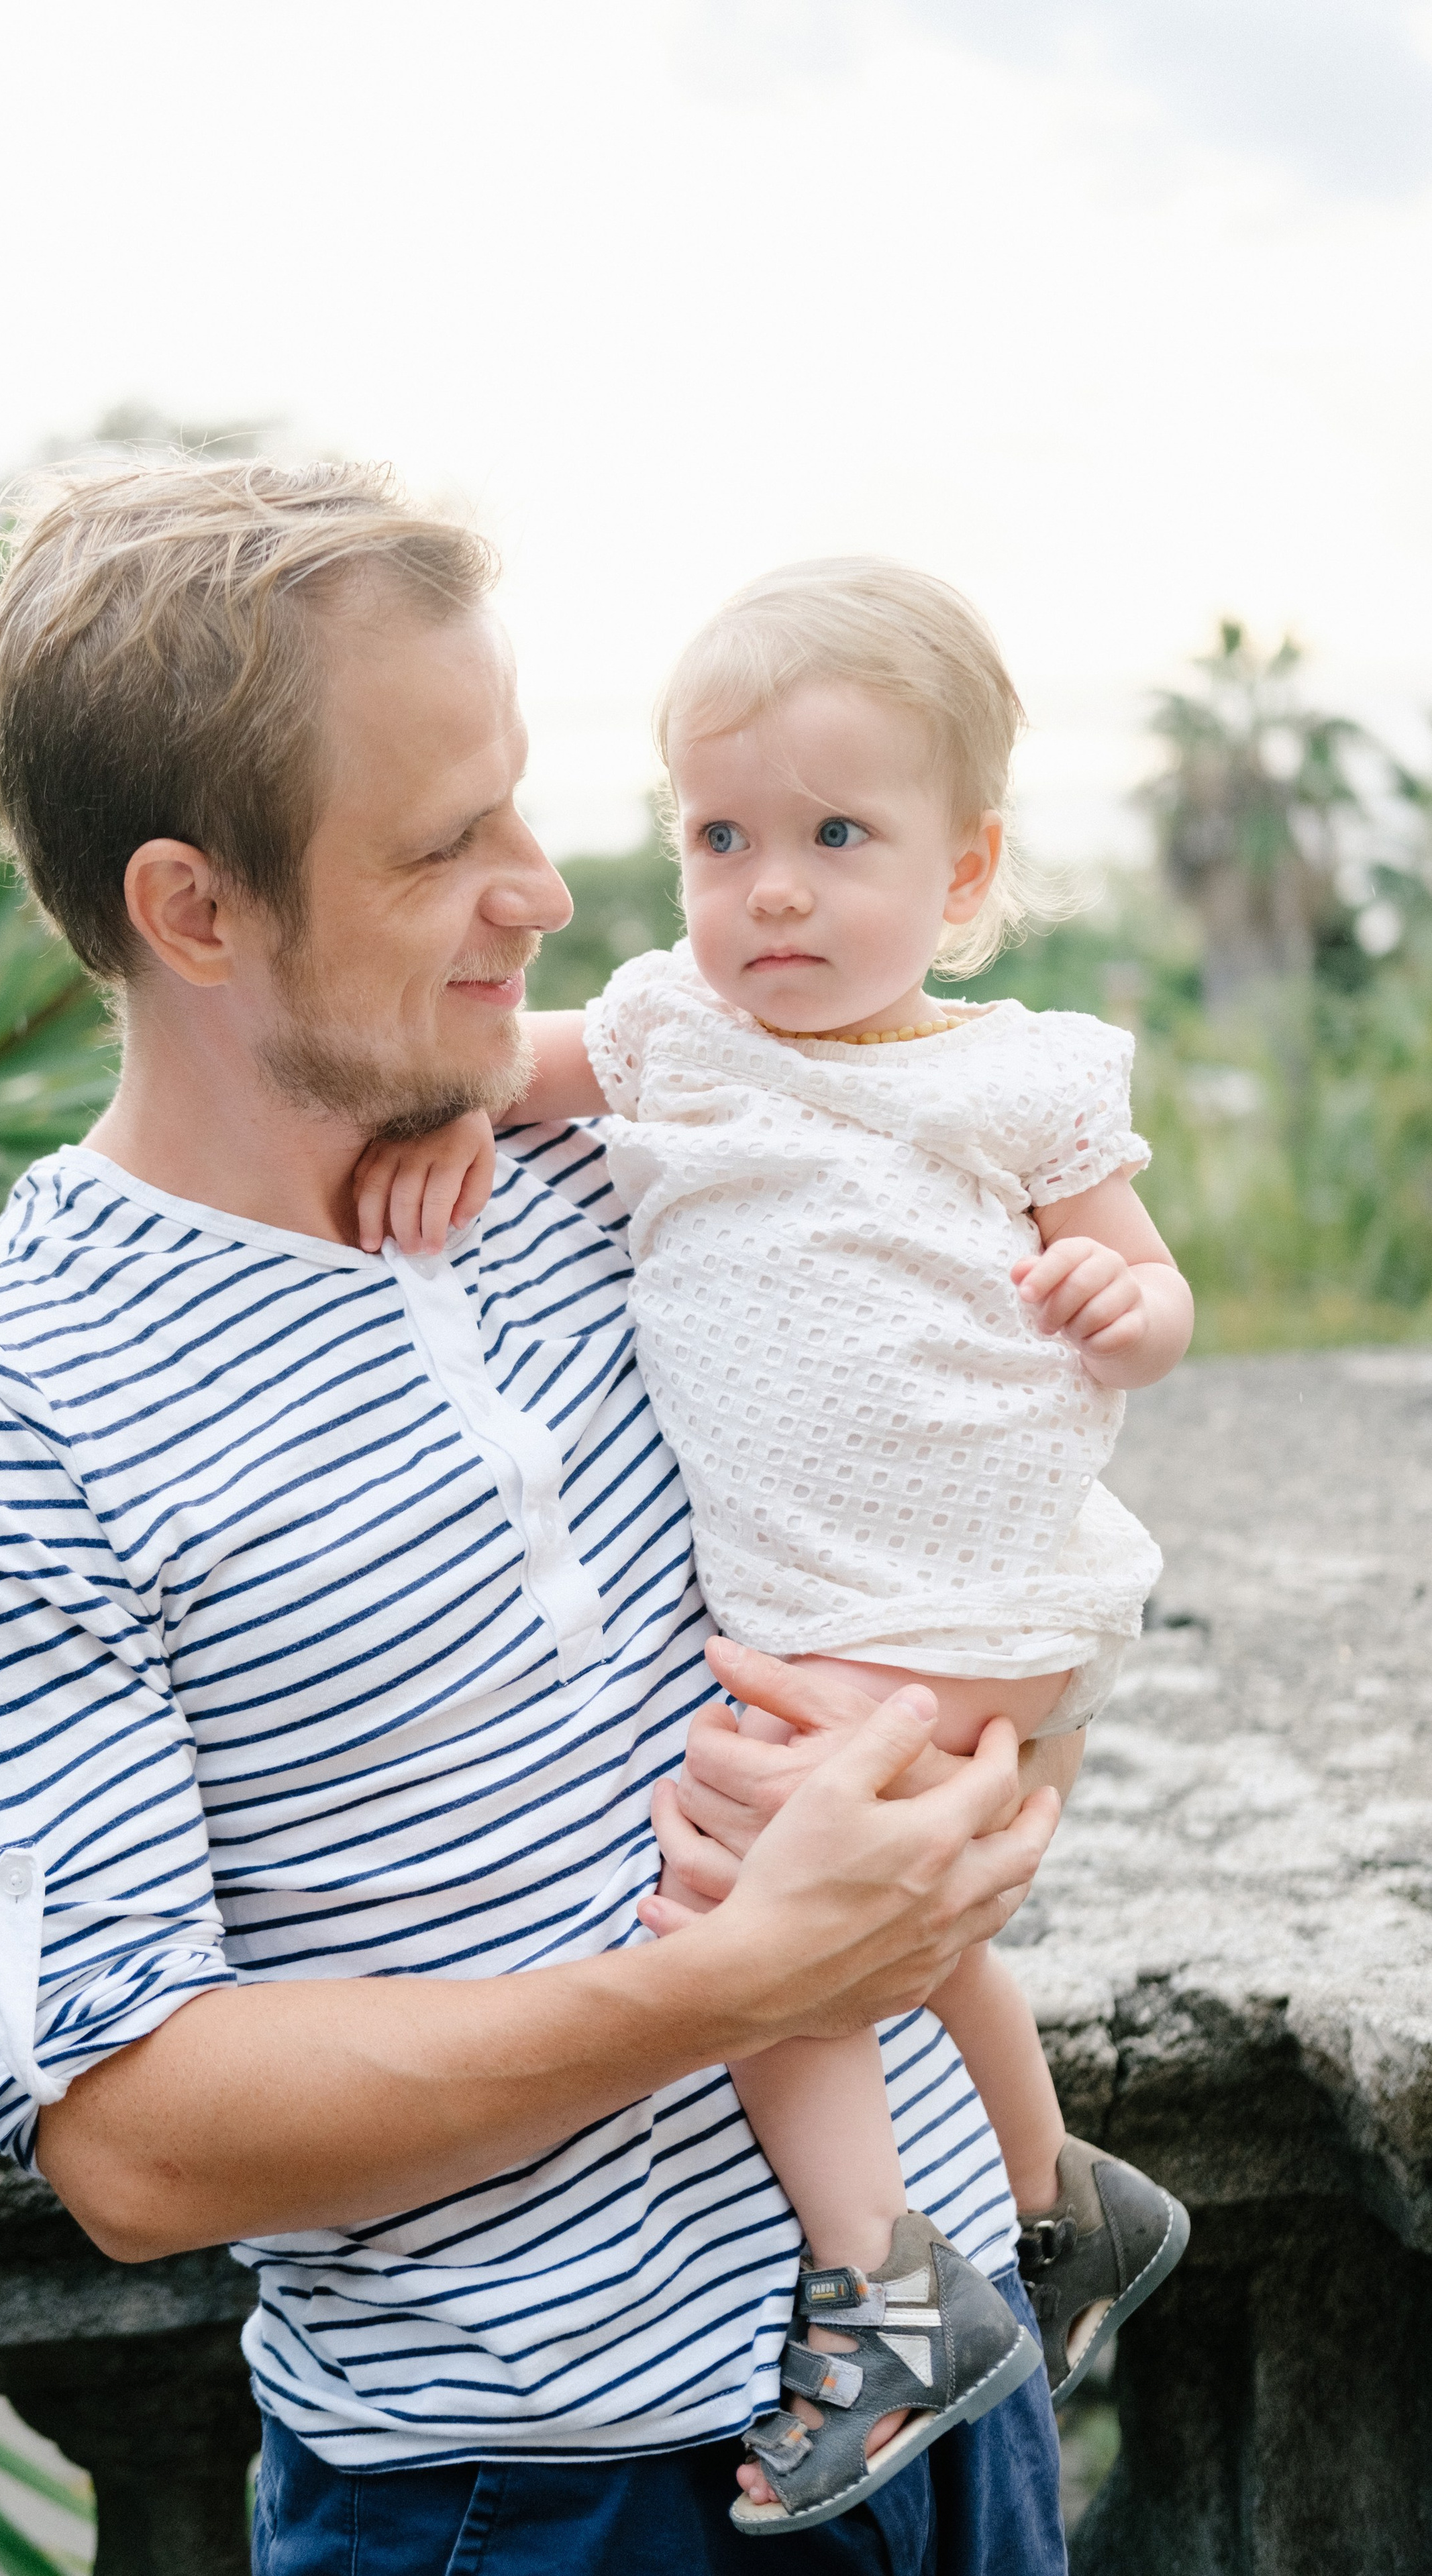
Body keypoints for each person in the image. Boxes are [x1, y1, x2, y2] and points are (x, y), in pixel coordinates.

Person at [0, 463, 1072, 2576]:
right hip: (533, 2504)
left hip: (960, 2394)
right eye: (442, 846)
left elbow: (993, 1529)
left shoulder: (631, 1166)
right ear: (194, 913)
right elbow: (132, 2140)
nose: (546, 894)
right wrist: (735, 1981)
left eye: (522, 806)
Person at [354, 559, 1194, 2533]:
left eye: (837, 838)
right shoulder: (671, 1027)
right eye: (722, 840)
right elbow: (494, 1065)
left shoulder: (1019, 1074)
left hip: (969, 1580)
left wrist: (1121, 1308)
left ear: (965, 869)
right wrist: (450, 1120)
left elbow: (1155, 1291)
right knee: (911, 1921)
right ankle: (1059, 2202)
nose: (774, 894)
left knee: (761, 1930)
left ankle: (883, 2288)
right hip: (847, 1600)